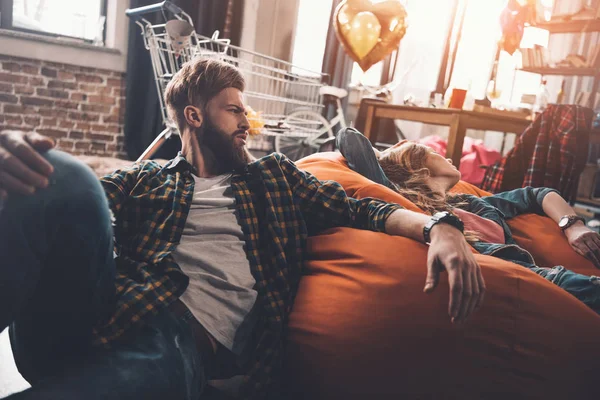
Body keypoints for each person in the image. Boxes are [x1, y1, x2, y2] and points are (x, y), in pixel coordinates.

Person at [0, 59, 485, 400]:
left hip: (174, 343)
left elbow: (363, 210)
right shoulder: (146, 179)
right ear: (194, 116)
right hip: (98, 311)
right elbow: (75, 220)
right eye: (233, 110)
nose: (246, 123)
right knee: (65, 175)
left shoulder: (274, 177)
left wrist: (440, 226)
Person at [337, 127, 600, 315]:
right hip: (507, 280)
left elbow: (536, 195)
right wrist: (391, 159)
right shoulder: (407, 206)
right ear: (420, 168)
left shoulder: (473, 203)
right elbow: (350, 139)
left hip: (536, 276)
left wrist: (573, 225)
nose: (449, 157)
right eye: (434, 153)